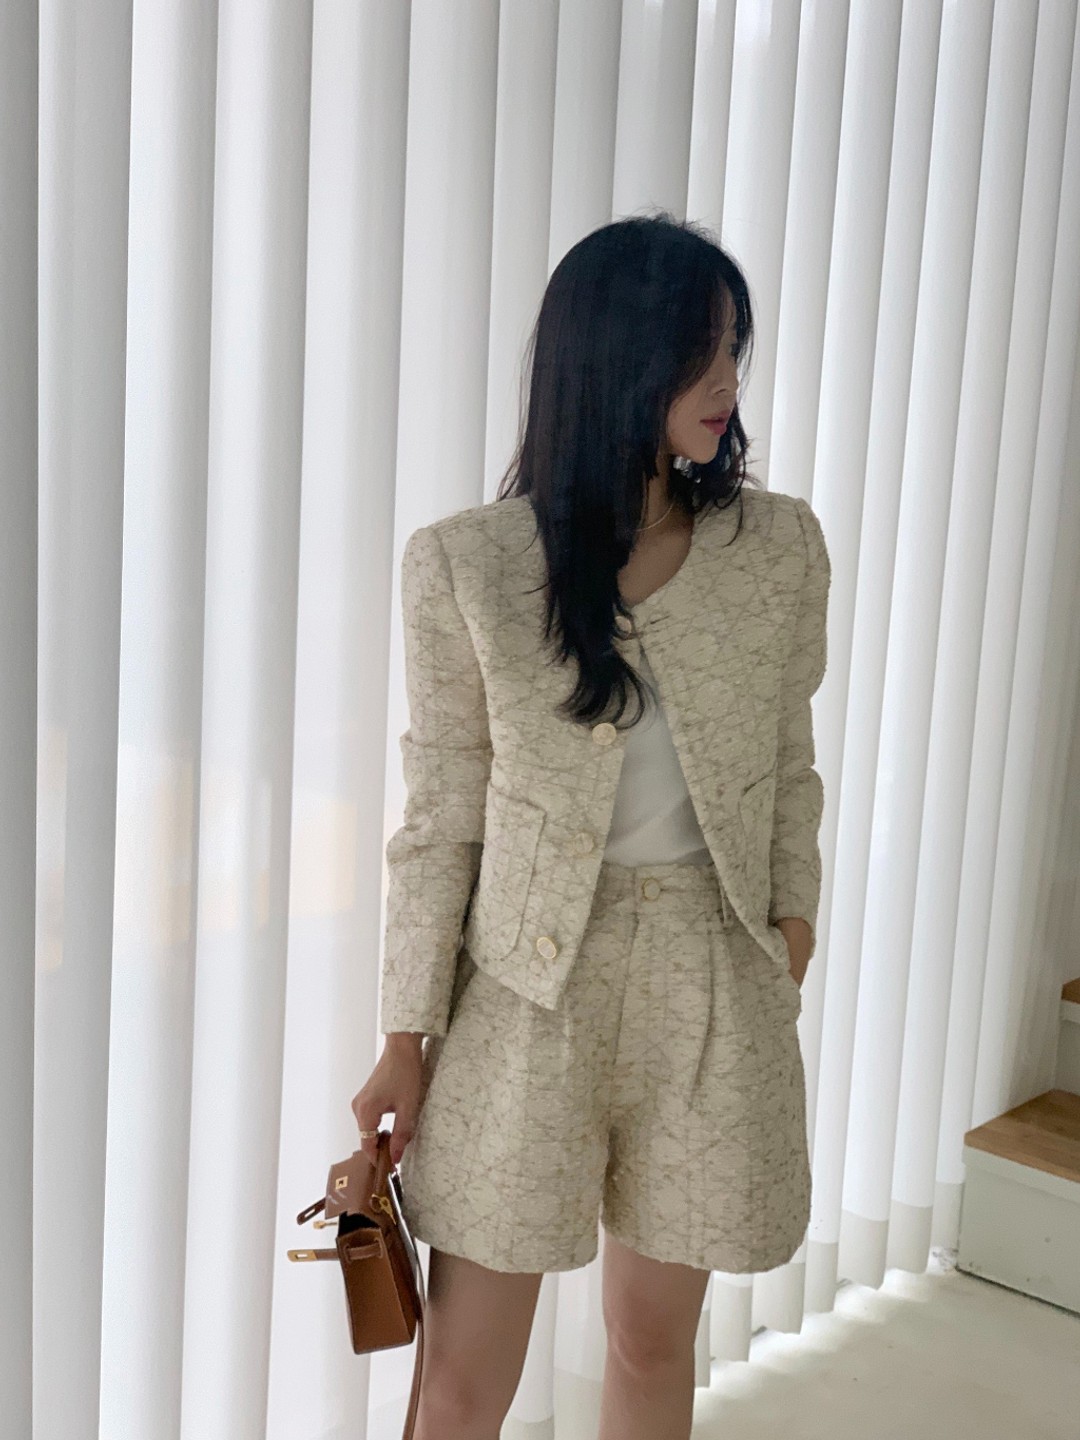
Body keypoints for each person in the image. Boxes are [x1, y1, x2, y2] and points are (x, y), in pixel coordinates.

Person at [352, 211, 831, 1440]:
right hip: (526, 992)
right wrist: (406, 1034)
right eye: (697, 353)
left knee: (650, 1343)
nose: (727, 383)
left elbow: (788, 761)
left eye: (734, 351)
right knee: (462, 1384)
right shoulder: (470, 566)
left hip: (711, 978)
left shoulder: (776, 548)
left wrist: (791, 929)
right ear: (613, 359)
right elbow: (441, 816)